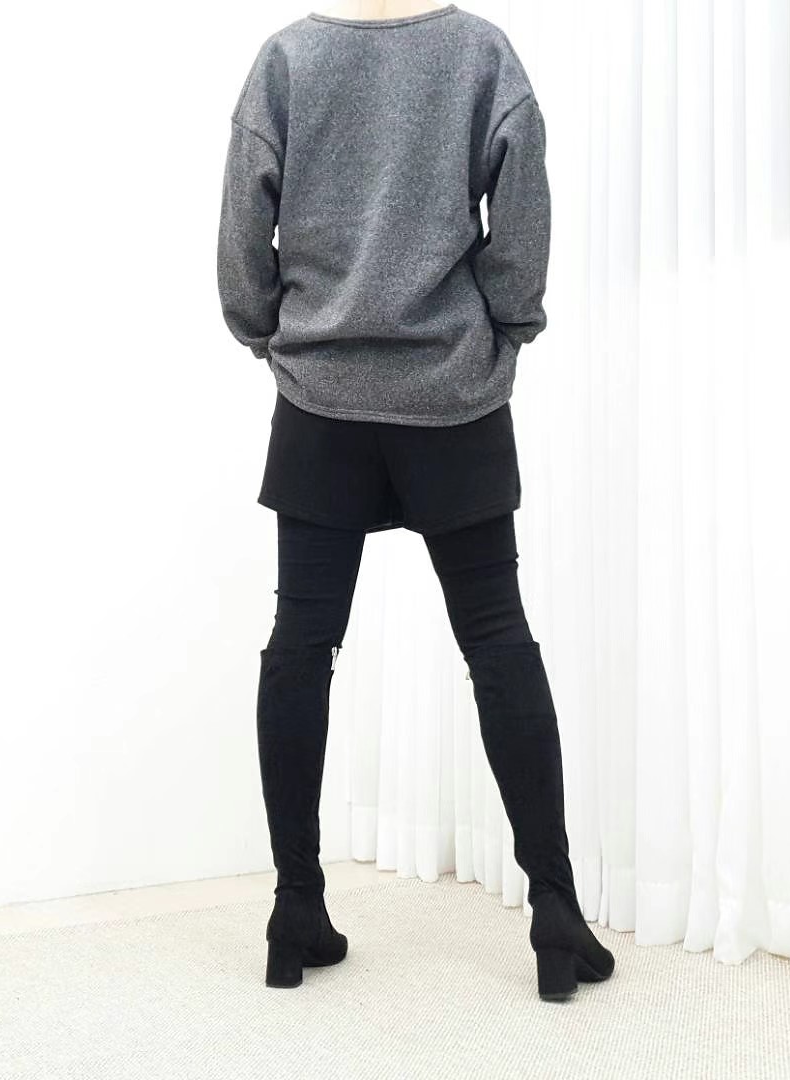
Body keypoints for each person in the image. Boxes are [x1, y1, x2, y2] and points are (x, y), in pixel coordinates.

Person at [216, 0, 615, 1002]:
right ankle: (554, 910)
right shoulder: (480, 53)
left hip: (320, 398)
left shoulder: (288, 60)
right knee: (498, 638)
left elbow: (242, 231)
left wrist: (271, 330)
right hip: (453, 395)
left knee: (301, 643)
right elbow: (521, 215)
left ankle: (295, 906)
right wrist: (505, 325)